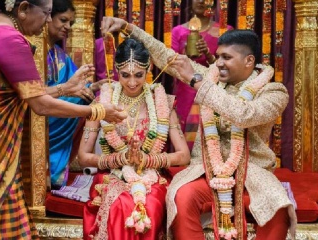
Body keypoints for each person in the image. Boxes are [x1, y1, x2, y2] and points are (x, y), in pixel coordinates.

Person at [101, 17, 297, 240]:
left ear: (249, 60)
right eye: (218, 56)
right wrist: (129, 28)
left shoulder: (274, 91)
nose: (218, 62)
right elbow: (168, 57)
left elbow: (244, 114)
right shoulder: (212, 79)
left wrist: (197, 81)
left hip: (253, 172)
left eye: (226, 57)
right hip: (205, 169)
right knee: (181, 196)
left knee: (277, 208)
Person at [0, 1, 126, 239]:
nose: (46, 21)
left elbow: (27, 94)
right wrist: (97, 111)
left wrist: (65, 88)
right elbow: (40, 104)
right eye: (46, 13)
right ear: (23, 8)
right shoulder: (9, 38)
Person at [78, 38, 190, 240]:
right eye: (125, 75)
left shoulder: (162, 101)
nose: (132, 82)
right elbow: (83, 157)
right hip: (113, 173)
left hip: (152, 175)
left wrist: (148, 160)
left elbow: (184, 156)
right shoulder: (102, 102)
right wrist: (117, 160)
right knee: (121, 204)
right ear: (116, 72)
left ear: (149, 70)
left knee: (150, 205)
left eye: (139, 75)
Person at [45, 0, 107, 190]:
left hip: (58, 118)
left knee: (93, 105)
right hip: (41, 117)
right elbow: (34, 95)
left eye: (70, 22)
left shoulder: (59, 54)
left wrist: (94, 86)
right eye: (63, 20)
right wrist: (70, 91)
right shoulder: (34, 53)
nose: (67, 27)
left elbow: (77, 86)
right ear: (47, 18)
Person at [172, 0, 232, 150]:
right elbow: (171, 65)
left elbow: (230, 67)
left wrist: (208, 54)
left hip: (213, 90)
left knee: (212, 136)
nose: (200, 1)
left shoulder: (224, 30)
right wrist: (184, 55)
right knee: (184, 139)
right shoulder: (178, 31)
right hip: (185, 91)